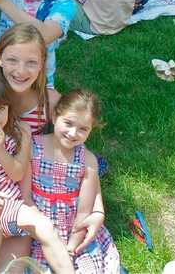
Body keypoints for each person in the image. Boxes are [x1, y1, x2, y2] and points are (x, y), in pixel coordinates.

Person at [0, 24, 108, 270]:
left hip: (17, 195)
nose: (21, 71)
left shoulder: (50, 103)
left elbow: (80, 154)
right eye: (13, 60)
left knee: (10, 270)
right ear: (0, 58)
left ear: (43, 64)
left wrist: (97, 209)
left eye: (31, 63)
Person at [0, 67, 74, 274]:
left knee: (46, 227)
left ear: (9, 106)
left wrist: (0, 150)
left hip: (9, 201)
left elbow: (18, 174)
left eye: (1, 109)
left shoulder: (21, 131)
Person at [31, 89, 120, 273]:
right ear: (55, 117)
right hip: (38, 229)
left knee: (88, 268)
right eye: (68, 123)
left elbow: (84, 213)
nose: (73, 133)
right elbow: (26, 197)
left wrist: (70, 249)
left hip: (74, 231)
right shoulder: (33, 148)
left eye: (83, 129)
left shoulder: (87, 161)